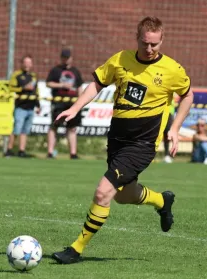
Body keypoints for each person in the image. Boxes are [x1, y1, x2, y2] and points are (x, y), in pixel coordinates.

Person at [51, 17, 193, 264]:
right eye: (145, 43)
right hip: (117, 139)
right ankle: (162, 200)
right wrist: (75, 108)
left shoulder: (172, 70)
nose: (149, 49)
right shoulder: (120, 60)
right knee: (122, 195)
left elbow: (188, 96)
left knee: (103, 192)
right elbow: (96, 84)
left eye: (154, 45)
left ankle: (76, 249)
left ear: (162, 41)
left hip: (142, 144)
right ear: (137, 38)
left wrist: (175, 128)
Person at [46, 48, 84, 159]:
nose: (66, 60)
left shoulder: (75, 71)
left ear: (71, 58)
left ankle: (73, 153)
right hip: (59, 103)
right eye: (64, 57)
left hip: (72, 103)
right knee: (54, 126)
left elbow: (80, 87)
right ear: (61, 58)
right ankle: (50, 152)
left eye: (67, 57)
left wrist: (80, 101)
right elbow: (48, 83)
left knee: (72, 128)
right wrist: (61, 85)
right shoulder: (55, 70)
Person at [5, 55, 40, 158]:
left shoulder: (33, 76)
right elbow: (11, 88)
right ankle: (9, 150)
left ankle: (21, 150)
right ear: (22, 63)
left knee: (25, 131)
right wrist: (23, 88)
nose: (27, 64)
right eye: (26, 62)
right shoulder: (17, 75)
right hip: (20, 107)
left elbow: (36, 91)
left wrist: (38, 105)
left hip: (30, 107)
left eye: (29, 62)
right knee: (16, 129)